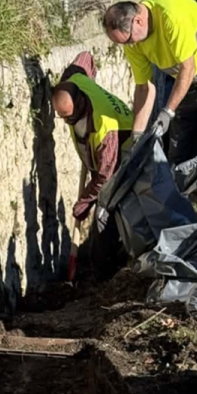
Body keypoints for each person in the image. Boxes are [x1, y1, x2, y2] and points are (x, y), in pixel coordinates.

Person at [102, 0, 197, 166]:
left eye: (129, 39)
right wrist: (137, 135)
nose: (130, 45)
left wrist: (168, 112)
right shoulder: (133, 42)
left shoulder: (171, 16)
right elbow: (144, 87)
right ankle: (185, 193)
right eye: (123, 43)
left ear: (138, 21)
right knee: (179, 152)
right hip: (186, 83)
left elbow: (188, 68)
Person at [52, 51, 134, 279]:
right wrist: (92, 81)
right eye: (61, 117)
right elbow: (86, 57)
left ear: (79, 103)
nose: (66, 121)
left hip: (127, 152)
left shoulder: (103, 129)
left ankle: (106, 274)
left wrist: (85, 202)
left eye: (69, 116)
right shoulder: (74, 78)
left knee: (104, 215)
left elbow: (105, 177)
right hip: (104, 158)